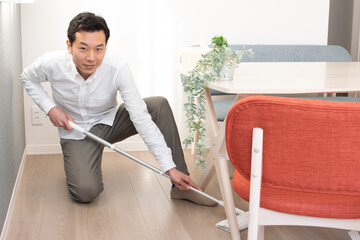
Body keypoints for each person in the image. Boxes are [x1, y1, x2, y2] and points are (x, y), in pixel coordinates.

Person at [22, 12, 216, 206]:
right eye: (83, 48)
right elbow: (27, 78)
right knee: (86, 192)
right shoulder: (51, 63)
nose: (91, 57)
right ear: (69, 46)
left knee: (158, 105)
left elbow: (140, 116)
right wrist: (51, 109)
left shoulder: (117, 67)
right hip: (76, 131)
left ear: (106, 46)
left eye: (99, 49)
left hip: (110, 122)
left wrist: (169, 167)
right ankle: (84, 159)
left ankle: (182, 187)